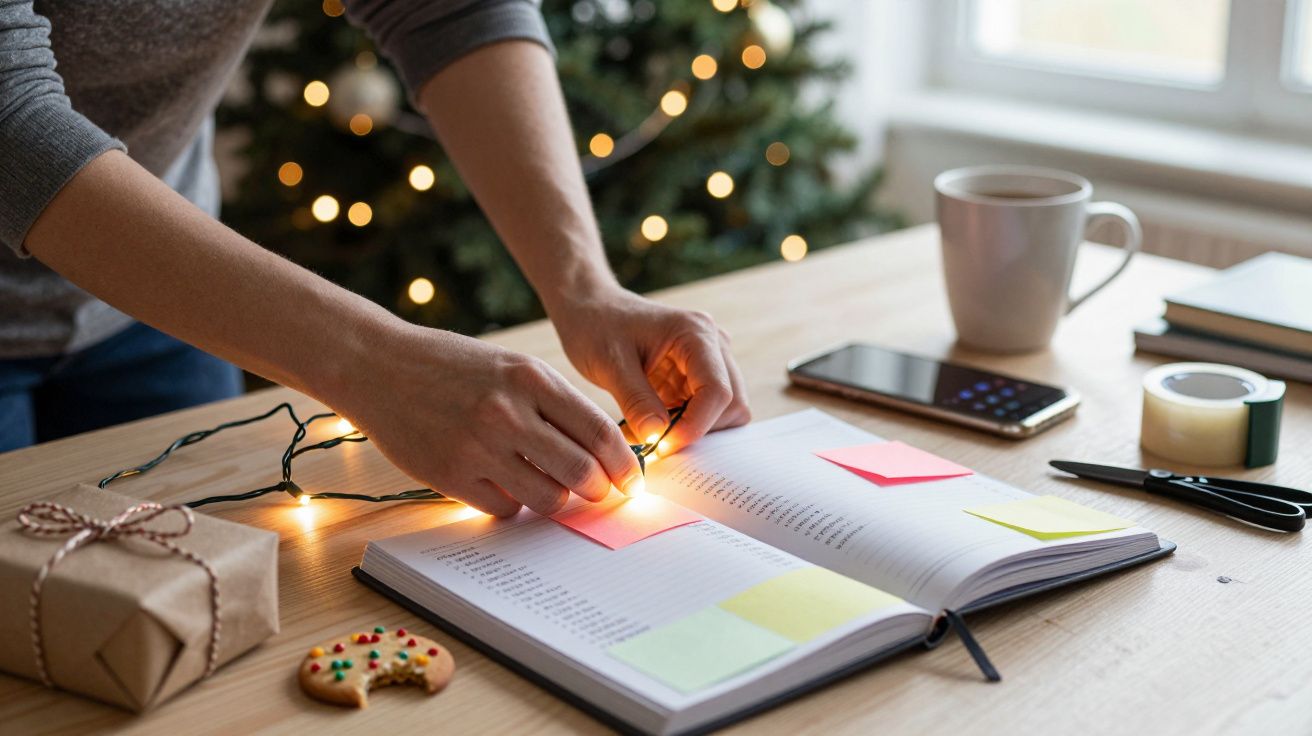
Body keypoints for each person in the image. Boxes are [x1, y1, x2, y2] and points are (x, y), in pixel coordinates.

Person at [0, 0, 750, 516]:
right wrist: (373, 364)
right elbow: (11, 120)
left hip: (157, 302)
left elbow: (448, 11)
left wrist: (587, 287)